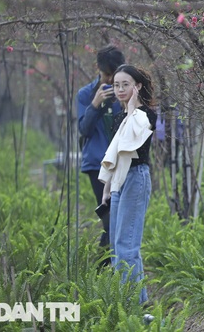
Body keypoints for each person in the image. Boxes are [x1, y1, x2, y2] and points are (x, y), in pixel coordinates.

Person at [98, 64, 157, 306]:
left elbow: (130, 145)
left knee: (127, 246)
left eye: (125, 84)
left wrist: (132, 108)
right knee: (118, 245)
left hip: (136, 179)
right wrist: (107, 188)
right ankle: (138, 302)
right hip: (119, 181)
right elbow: (115, 153)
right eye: (116, 85)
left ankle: (132, 306)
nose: (120, 89)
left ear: (138, 86)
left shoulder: (146, 115)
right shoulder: (120, 116)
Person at [77, 45, 125, 252]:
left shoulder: (124, 93)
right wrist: (95, 105)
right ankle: (105, 271)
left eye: (113, 75)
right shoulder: (86, 94)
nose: (109, 80)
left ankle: (109, 271)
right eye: (106, 74)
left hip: (122, 163)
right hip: (97, 164)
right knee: (109, 219)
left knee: (119, 219)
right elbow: (84, 130)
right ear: (98, 68)